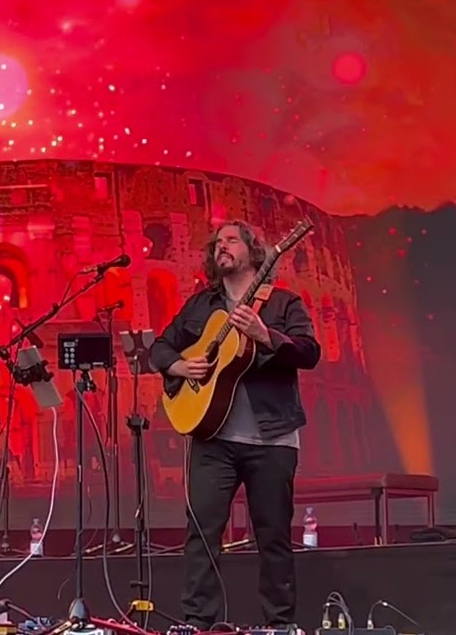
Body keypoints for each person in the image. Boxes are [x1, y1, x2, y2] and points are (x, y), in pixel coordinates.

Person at [149, 221, 321, 629]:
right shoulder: (200, 305)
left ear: (254, 252)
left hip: (272, 437)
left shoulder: (282, 302)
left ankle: (279, 624)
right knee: (202, 533)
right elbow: (160, 347)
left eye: (231, 240)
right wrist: (177, 364)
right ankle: (198, 623)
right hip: (212, 437)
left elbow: (309, 352)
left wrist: (266, 336)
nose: (221, 247)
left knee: (273, 535)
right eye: (217, 244)